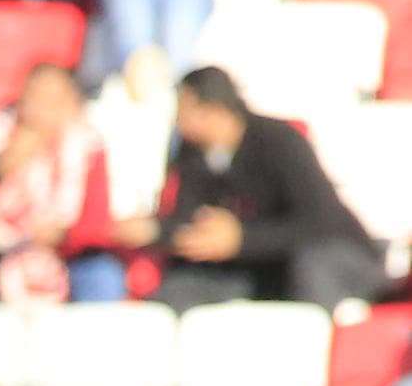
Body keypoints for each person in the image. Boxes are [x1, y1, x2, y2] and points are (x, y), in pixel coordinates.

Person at [150, 61, 384, 310]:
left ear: (215, 110)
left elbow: (319, 220)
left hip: (331, 256)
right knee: (179, 289)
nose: (179, 121)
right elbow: (188, 216)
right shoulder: (191, 155)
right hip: (258, 266)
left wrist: (243, 239)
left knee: (310, 270)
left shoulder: (279, 141)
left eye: (185, 110)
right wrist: (160, 231)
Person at [0, 61, 132, 305]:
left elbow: (97, 226)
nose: (40, 113)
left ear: (72, 106)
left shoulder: (88, 146)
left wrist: (60, 235)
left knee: (103, 276)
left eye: (53, 103)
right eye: (33, 99)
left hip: (63, 257)